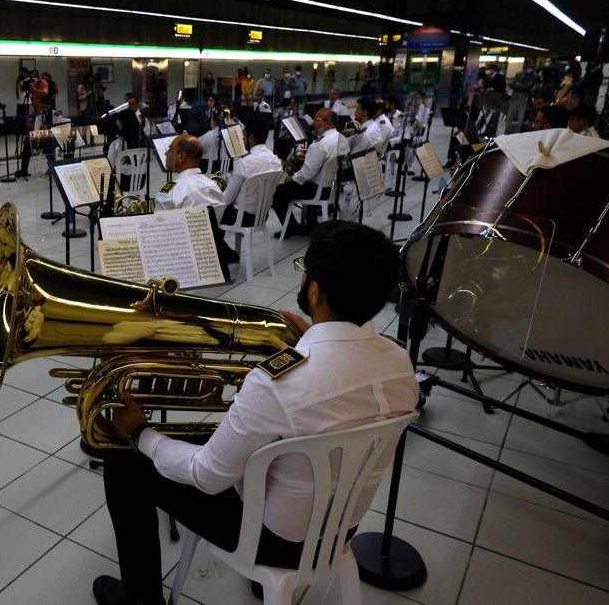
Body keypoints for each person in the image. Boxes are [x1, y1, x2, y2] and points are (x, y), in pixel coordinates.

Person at [91, 219, 418, 605]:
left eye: (305, 273)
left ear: (315, 292)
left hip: (273, 541)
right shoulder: (401, 364)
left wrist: (139, 432)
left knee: (124, 464)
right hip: (338, 529)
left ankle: (141, 598)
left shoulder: (277, 382)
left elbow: (207, 476)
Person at [216, 114, 282, 263]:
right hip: (262, 215)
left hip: (242, 217)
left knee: (210, 213)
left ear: (251, 137)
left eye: (244, 134)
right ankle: (226, 253)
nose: (243, 139)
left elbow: (227, 199)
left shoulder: (244, 163)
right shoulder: (275, 160)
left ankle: (223, 254)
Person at [271, 109, 340, 234]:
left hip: (316, 190)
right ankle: (311, 222)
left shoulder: (320, 144)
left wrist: (292, 178)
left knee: (276, 192)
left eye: (316, 120)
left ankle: (291, 227)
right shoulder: (339, 137)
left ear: (328, 122)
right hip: (329, 187)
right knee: (306, 181)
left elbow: (307, 173)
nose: (313, 123)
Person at [154, 135, 224, 212]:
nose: (165, 153)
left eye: (170, 149)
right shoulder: (214, 187)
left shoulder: (171, 193)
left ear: (181, 156)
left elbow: (157, 220)